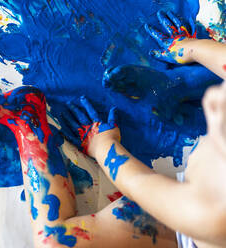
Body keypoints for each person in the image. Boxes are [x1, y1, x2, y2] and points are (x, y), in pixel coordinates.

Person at [61, 11, 226, 248]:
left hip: (185, 225)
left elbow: (144, 186)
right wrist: (190, 48)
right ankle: (180, 84)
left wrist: (104, 147)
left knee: (57, 240)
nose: (212, 100)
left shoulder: (212, 214)